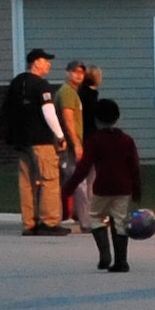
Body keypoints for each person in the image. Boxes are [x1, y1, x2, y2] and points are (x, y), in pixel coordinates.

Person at [62, 98, 143, 272]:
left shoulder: (95, 140)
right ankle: (121, 261)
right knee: (120, 221)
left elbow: (83, 168)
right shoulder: (127, 140)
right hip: (123, 188)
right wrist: (137, 188)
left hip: (102, 187)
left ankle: (105, 254)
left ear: (96, 119)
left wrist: (69, 187)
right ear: (118, 118)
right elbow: (134, 167)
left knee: (96, 217)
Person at [0, 49, 71, 236]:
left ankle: (29, 223)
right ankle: (49, 222)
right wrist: (60, 136)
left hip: (21, 141)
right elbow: (48, 112)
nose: (49, 65)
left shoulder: (16, 83)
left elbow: (6, 110)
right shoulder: (41, 84)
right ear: (36, 63)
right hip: (41, 140)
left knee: (26, 181)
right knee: (49, 179)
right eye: (46, 61)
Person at [57, 59, 94, 233]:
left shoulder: (74, 92)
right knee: (80, 182)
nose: (79, 75)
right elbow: (68, 119)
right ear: (67, 73)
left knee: (73, 181)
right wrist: (76, 144)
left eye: (81, 72)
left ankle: (68, 215)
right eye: (75, 71)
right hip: (71, 146)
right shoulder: (67, 93)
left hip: (73, 144)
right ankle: (86, 222)